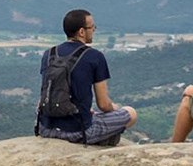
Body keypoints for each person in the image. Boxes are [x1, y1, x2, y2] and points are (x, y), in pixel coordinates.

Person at [39, 9, 137, 146]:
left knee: (91, 114)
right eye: (92, 27)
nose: (94, 30)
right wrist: (113, 108)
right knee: (131, 113)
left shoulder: (49, 54)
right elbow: (103, 105)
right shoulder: (94, 56)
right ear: (81, 32)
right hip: (78, 131)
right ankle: (104, 138)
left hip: (46, 129)